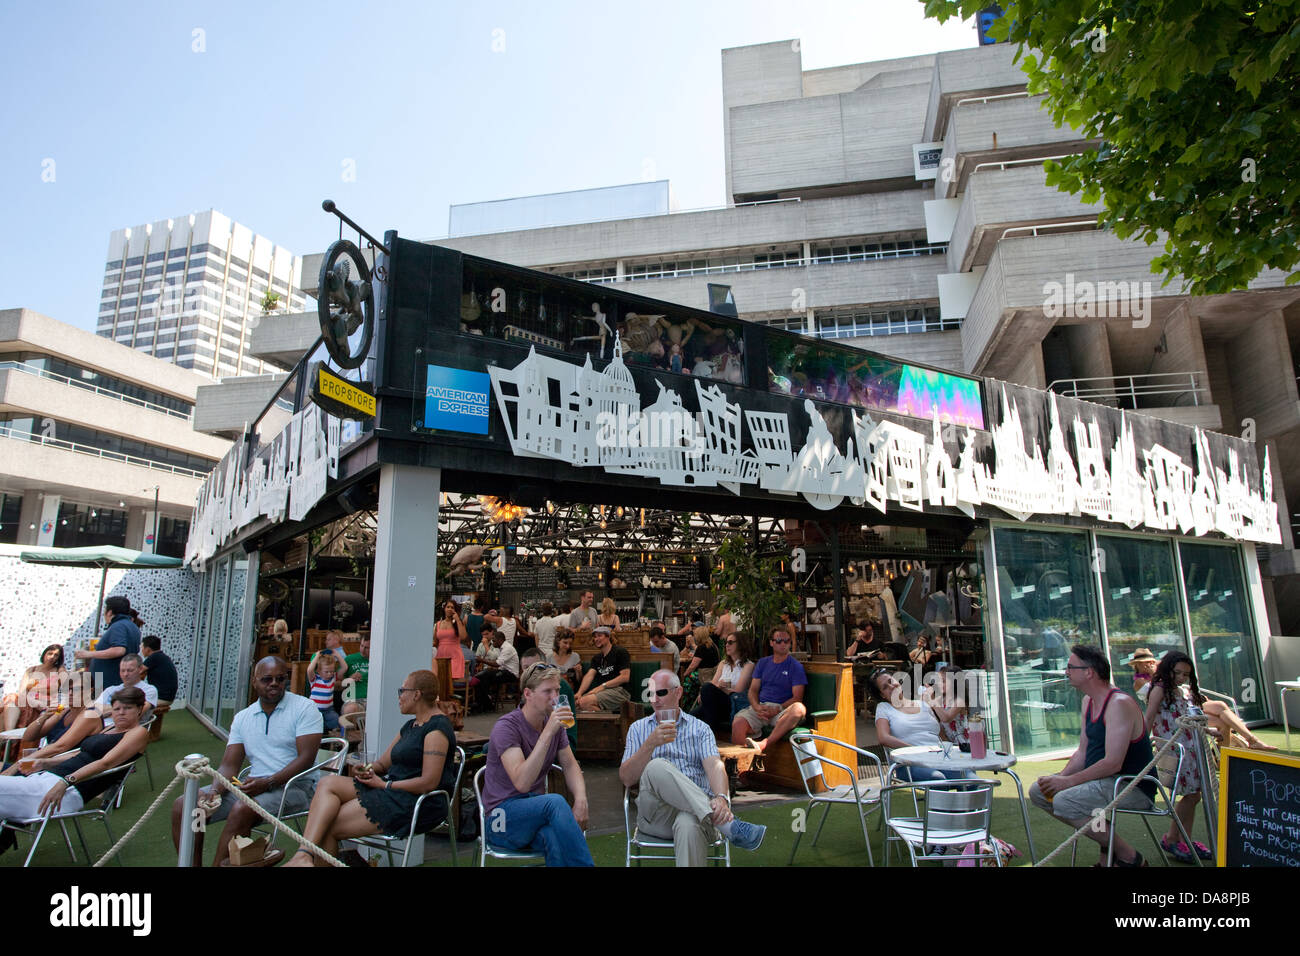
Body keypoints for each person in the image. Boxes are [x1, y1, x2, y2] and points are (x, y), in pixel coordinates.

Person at [285, 670, 456, 866]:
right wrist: (365, 767)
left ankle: (304, 856)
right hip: (390, 790)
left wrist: (385, 785)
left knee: (328, 825)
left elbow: (428, 783)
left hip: (417, 802)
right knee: (328, 783)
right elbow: (382, 764)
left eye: (402, 690)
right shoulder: (411, 726)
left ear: (416, 694)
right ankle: (303, 854)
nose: (399, 696)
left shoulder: (436, 729)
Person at [171, 656, 323, 867]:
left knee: (243, 808)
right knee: (187, 807)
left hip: (296, 787)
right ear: (254, 681)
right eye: (267, 679)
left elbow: (305, 759)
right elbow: (229, 765)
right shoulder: (243, 717)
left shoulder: (305, 708)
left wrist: (269, 782)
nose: (274, 684)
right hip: (253, 787)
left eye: (280, 679)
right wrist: (214, 792)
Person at [619, 670, 766, 865]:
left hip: (694, 815)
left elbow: (714, 766)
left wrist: (722, 797)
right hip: (656, 816)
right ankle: (726, 824)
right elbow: (627, 779)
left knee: (689, 824)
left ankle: (712, 815)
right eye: (651, 693)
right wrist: (650, 744)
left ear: (678, 692)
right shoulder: (638, 729)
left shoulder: (700, 729)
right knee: (656, 766)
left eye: (661, 693)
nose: (654, 700)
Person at [1029, 644, 1156, 867]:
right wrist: (1059, 778)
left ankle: (1129, 857)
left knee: (1065, 800)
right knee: (1039, 792)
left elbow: (1112, 763)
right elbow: (1083, 752)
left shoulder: (1119, 704)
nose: (1066, 672)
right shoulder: (1089, 701)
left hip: (1132, 786)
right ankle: (1108, 850)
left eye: (1070, 667)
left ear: (1089, 672)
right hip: (1105, 783)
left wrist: (1067, 782)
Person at [0, 686, 150, 853]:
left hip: (65, 793)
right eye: (117, 709)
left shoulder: (138, 733)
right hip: (47, 780)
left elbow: (105, 763)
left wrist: (66, 781)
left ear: (139, 710)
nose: (121, 713)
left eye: (127, 708)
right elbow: (80, 754)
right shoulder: (110, 729)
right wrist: (44, 763)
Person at [480, 661, 592, 866]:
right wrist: (548, 732)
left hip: (532, 816)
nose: (555, 698)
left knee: (553, 838)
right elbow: (522, 783)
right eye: (547, 691)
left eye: (557, 690)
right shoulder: (507, 727)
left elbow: (569, 764)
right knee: (555, 802)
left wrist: (581, 798)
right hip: (499, 819)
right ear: (528, 694)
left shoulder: (555, 725)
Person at [1143, 651, 1212, 863]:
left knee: (1193, 795)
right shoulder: (1160, 689)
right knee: (1191, 795)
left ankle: (1181, 839)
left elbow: (1186, 719)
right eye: (1177, 673)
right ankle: (1175, 838)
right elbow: (1149, 716)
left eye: (1185, 674)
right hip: (1175, 751)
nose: (1181, 678)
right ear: (1167, 670)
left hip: (1189, 749)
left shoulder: (1177, 690)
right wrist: (1141, 747)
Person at [868, 669, 964, 782]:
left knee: (969, 778)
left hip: (938, 757)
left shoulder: (923, 704)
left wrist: (950, 751)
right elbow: (883, 738)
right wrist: (914, 750)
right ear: (882, 695)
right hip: (909, 762)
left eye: (891, 681)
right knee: (937, 778)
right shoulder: (884, 708)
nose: (891, 686)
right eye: (885, 687)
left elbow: (940, 733)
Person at [733, 628, 807, 753]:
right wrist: (756, 707)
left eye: (786, 641)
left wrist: (777, 708)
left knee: (799, 708)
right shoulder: (763, 663)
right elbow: (753, 690)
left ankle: (764, 744)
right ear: (771, 643)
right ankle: (741, 764)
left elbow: (797, 698)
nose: (783, 644)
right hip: (761, 707)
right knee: (738, 723)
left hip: (782, 709)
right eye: (778, 641)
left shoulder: (796, 667)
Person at [74, 595, 140, 690]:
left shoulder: (118, 626)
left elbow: (119, 650)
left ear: (109, 612)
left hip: (109, 683)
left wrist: (88, 654)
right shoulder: (132, 626)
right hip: (115, 682)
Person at [695, 632, 755, 732]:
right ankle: (709, 732)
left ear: (740, 644)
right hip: (717, 703)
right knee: (695, 712)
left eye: (730, 642)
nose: (727, 645)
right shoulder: (723, 663)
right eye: (726, 642)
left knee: (706, 690)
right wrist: (719, 687)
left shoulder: (748, 665)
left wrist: (721, 688)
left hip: (733, 703)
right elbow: (713, 684)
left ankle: (710, 732)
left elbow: (738, 691)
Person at [19, 671, 92, 750]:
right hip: (46, 756)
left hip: (59, 759)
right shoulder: (63, 710)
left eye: (76, 689)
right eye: (67, 689)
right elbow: (28, 737)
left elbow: (60, 747)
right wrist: (44, 717)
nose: (70, 693)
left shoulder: (90, 714)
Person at [2, 644, 65, 731]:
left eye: (56, 655)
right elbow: (22, 691)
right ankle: (9, 733)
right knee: (11, 698)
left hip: (43, 704)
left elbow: (66, 684)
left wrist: (62, 669)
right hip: (29, 701)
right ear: (44, 654)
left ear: (58, 658)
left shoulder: (58, 671)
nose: (52, 657)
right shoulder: (31, 670)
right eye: (50, 653)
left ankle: (9, 736)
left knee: (10, 703)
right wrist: (32, 700)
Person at [89, 653, 158, 727]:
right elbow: (93, 711)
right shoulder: (110, 690)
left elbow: (133, 715)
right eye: (122, 670)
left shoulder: (149, 690)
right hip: (100, 727)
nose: (125, 674)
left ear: (140, 669)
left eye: (130, 670)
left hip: (127, 730)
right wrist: (122, 709)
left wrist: (104, 710)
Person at [575, 626, 631, 713]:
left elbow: (624, 677)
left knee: (584, 702)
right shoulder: (597, 658)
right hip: (603, 692)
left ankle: (611, 723)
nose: (596, 639)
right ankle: (609, 721)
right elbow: (589, 675)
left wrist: (602, 686)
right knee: (577, 704)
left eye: (600, 636)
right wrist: (579, 693)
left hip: (620, 691)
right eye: (595, 637)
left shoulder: (620, 652)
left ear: (608, 636)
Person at [475, 624, 520, 712]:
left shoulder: (507, 648)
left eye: (494, 641)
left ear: (500, 640)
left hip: (510, 674)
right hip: (504, 671)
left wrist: (482, 660)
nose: (493, 642)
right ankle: (485, 703)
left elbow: (497, 664)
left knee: (485, 675)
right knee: (482, 677)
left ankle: (486, 704)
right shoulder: (502, 647)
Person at [340, 635, 370, 738]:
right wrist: (350, 679)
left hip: (373, 701)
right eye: (362, 646)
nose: (363, 650)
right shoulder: (350, 659)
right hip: (354, 700)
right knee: (351, 709)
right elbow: (337, 683)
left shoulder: (380, 660)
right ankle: (349, 744)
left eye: (367, 648)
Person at [309, 651, 343, 735]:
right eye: (326, 671)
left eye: (332, 671)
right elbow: (310, 670)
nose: (330, 674)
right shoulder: (315, 679)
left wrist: (338, 655)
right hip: (315, 710)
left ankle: (336, 739)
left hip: (329, 710)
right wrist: (317, 656)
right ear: (319, 671)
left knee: (337, 720)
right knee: (315, 725)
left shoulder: (333, 678)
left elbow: (344, 668)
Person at [140, 635, 178, 707]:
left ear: (147, 649)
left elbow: (136, 672)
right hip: (168, 697)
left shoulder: (154, 657)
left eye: (142, 648)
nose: (141, 650)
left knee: (131, 703)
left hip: (161, 698)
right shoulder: (162, 656)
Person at [435, 600, 468, 681]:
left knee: (450, 682)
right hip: (441, 656)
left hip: (454, 656)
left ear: (455, 610)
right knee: (441, 682)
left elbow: (463, 637)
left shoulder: (458, 623)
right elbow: (435, 642)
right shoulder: (438, 624)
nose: (449, 609)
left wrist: (457, 620)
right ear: (444, 609)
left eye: (452, 607)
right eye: (448, 607)